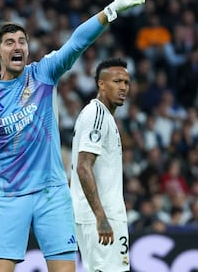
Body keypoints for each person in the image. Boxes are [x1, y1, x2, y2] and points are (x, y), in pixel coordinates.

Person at [0, 0, 145, 272]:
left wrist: (112, 9)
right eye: (10, 42)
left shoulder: (43, 74)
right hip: (8, 198)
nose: (18, 46)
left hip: (52, 194)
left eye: (22, 41)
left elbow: (77, 41)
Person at [70, 57, 132, 271]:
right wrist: (100, 217)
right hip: (100, 218)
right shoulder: (96, 115)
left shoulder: (105, 116)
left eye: (126, 82)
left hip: (107, 215)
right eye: (117, 81)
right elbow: (83, 166)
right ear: (101, 84)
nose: (123, 87)